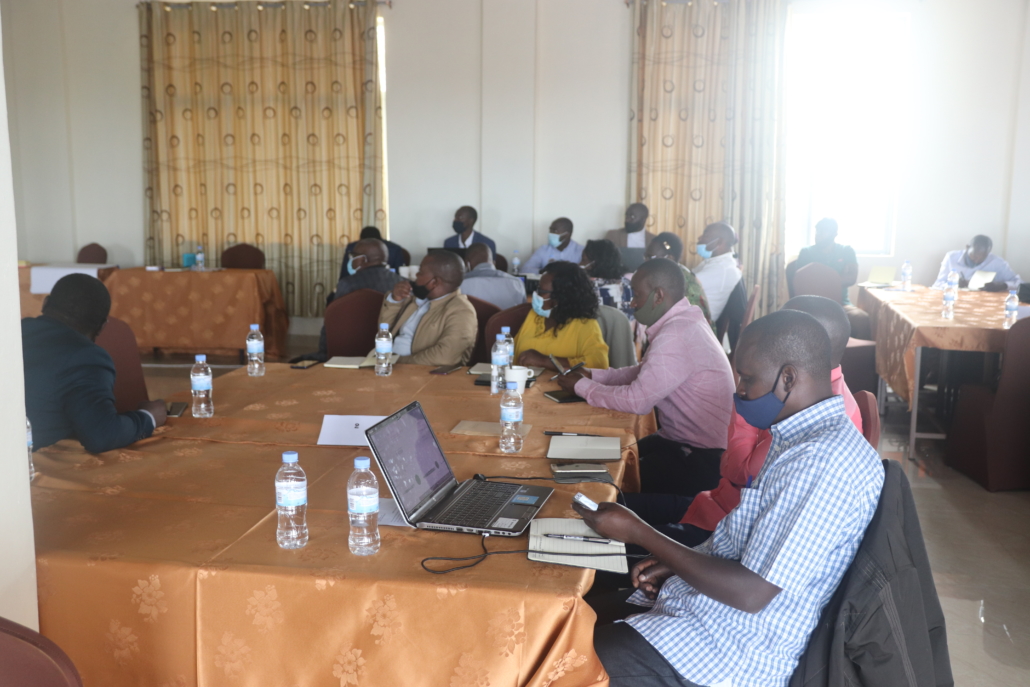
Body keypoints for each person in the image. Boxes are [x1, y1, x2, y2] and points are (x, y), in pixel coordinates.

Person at [578, 309, 884, 687]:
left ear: (788, 378)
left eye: (748, 379)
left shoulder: (821, 463)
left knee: (555, 658)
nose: (739, 390)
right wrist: (680, 564)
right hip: (706, 611)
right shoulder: (800, 439)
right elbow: (749, 548)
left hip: (728, 649)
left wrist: (638, 532)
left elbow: (753, 593)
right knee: (566, 618)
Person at [622, 294, 866, 549]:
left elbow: (739, 473)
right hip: (711, 503)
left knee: (608, 543)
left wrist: (744, 409)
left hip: (725, 532)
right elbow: (730, 468)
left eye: (781, 329)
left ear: (809, 343)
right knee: (609, 504)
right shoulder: (780, 391)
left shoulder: (814, 417)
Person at [558, 259, 734, 496]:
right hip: (678, 440)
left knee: (605, 485)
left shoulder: (676, 334)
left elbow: (637, 400)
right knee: (608, 455)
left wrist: (582, 386)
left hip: (700, 457)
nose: (632, 303)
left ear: (658, 296)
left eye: (637, 295)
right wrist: (593, 375)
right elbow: (644, 372)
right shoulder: (684, 320)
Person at [22, 274, 167, 454]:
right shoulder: (86, 357)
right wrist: (149, 417)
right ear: (102, 326)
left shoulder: (14, 331)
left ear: (45, 303)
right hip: (31, 462)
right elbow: (102, 435)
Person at [301, 238, 404, 363]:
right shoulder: (402, 284)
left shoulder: (347, 284)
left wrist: (324, 353)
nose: (350, 260)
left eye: (353, 256)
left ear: (363, 260)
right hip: (390, 353)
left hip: (346, 353)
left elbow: (332, 319)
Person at [379, 250, 478, 366]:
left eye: (420, 272)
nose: (416, 275)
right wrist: (395, 301)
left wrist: (397, 361)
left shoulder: (462, 311)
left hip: (421, 373)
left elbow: (445, 357)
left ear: (434, 282)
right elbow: (384, 332)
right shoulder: (414, 298)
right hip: (387, 366)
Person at [514, 261, 609, 372]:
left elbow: (599, 364)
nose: (536, 295)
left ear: (560, 297)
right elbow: (513, 353)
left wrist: (545, 361)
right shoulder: (534, 316)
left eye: (541, 291)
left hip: (558, 383)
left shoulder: (585, 325)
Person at [788, 217, 871, 339]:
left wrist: (819, 280)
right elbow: (803, 281)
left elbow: (851, 279)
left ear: (834, 234)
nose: (818, 234)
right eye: (817, 231)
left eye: (823, 231)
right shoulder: (806, 252)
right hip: (811, 305)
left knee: (862, 318)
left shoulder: (846, 251)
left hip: (841, 304)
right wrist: (837, 278)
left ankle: (859, 351)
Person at [645, 232, 713, 328]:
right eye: (645, 257)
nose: (646, 261)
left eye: (650, 257)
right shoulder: (670, 273)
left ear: (669, 258)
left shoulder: (679, 282)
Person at [932, 234, 1021, 292]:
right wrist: (953, 284)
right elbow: (938, 284)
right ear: (967, 247)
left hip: (984, 302)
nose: (977, 260)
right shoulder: (951, 258)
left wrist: (1003, 285)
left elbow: (1019, 283)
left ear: (988, 253)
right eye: (973, 256)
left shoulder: (997, 263)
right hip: (956, 298)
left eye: (982, 257)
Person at [692, 222, 742, 322]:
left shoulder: (723, 269)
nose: (699, 238)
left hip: (698, 324)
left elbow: (686, 284)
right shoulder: (715, 262)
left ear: (719, 242)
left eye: (705, 235)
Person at [459, 243, 527, 311]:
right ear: (494, 263)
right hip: (508, 318)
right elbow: (523, 312)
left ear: (467, 264)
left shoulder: (460, 284)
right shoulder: (517, 283)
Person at [581, 239, 634, 320]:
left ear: (594, 263)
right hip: (624, 328)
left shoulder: (586, 287)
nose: (580, 263)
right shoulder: (628, 285)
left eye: (583, 260)